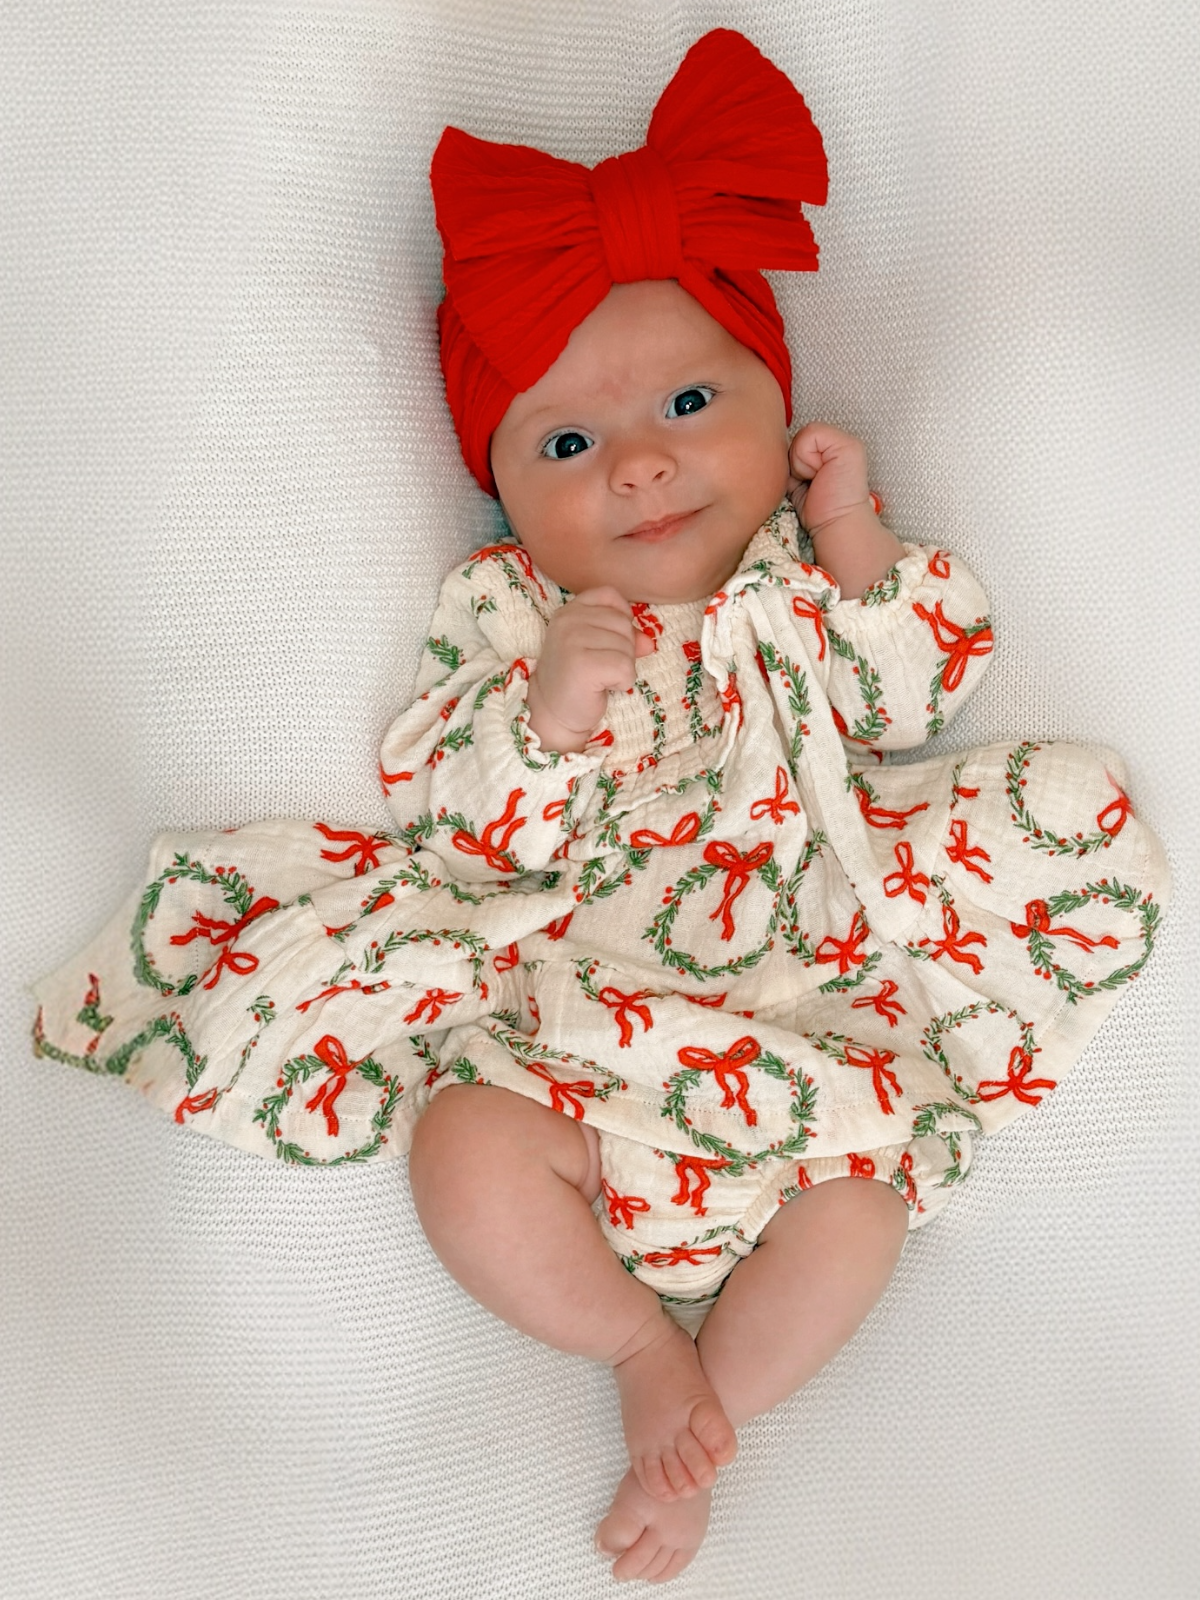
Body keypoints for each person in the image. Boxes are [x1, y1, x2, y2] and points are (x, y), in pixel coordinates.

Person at [31, 30, 1171, 1585]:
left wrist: (852, 538)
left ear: (778, 416)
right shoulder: (507, 616)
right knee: (463, 1153)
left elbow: (915, 691)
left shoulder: (796, 579)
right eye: (569, 445)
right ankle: (646, 1353)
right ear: (503, 496)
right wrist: (550, 719)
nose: (641, 465)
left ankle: (717, 1407)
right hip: (574, 1030)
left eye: (694, 403)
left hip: (808, 1021)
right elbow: (462, 825)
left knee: (862, 1211)